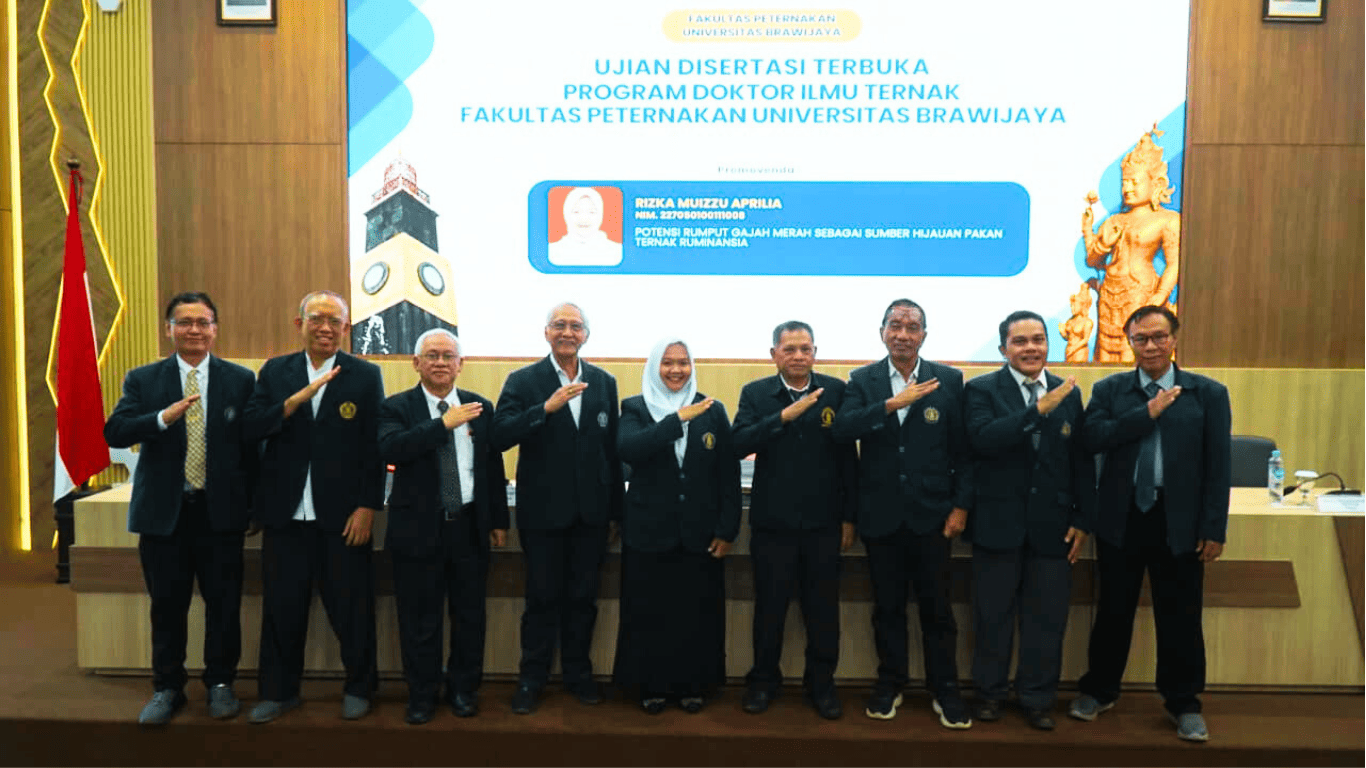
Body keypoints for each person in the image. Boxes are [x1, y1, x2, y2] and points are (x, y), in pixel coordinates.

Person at [1069, 305, 1230, 742]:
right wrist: (1148, 413)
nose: (1151, 346)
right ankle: (1099, 690)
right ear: (1130, 343)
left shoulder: (1207, 393)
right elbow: (1092, 438)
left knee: (1181, 616)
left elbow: (1218, 467)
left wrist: (1214, 528)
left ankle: (1184, 702)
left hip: (1180, 521)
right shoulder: (1110, 390)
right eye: (1141, 339)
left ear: (1174, 339)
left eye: (1159, 337)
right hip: (1121, 518)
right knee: (1113, 611)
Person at [104, 292, 258, 725]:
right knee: (167, 606)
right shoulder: (143, 379)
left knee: (223, 605)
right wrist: (161, 419)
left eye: (203, 322)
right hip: (164, 515)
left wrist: (253, 506)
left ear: (215, 329)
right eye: (185, 322)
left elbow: (252, 448)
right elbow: (115, 431)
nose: (194, 330)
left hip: (219, 513)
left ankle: (221, 683)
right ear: (168, 329)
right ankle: (167, 687)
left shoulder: (240, 380)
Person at [242, 290, 386, 724]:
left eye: (334, 321)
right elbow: (252, 426)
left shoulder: (365, 375)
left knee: (351, 608)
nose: (325, 327)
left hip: (343, 516)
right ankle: (278, 692)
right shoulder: (275, 371)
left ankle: (359, 687)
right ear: (299, 324)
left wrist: (367, 506)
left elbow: (374, 447)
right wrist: (294, 401)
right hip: (285, 515)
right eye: (316, 319)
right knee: (282, 610)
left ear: (346, 328)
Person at [832, 298, 974, 728]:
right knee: (887, 608)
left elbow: (964, 451)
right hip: (882, 517)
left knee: (937, 610)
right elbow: (843, 429)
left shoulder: (949, 380)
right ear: (882, 332)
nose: (903, 334)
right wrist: (892, 404)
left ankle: (944, 688)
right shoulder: (864, 380)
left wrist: (961, 505)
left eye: (912, 327)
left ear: (924, 335)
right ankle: (889, 682)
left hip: (934, 517)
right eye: (895, 326)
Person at [963, 310, 1095, 731]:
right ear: (1004, 348)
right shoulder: (981, 390)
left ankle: (1037, 698)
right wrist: (1038, 410)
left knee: (1047, 621)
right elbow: (984, 440)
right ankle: (989, 695)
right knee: (992, 618)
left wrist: (1083, 518)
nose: (1031, 348)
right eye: (1020, 341)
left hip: (1053, 528)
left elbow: (1080, 461)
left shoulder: (1067, 392)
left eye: (1038, 339)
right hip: (996, 525)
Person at [492, 302, 623, 714]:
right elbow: (500, 435)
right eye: (560, 325)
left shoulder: (604, 382)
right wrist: (544, 410)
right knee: (542, 599)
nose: (568, 332)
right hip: (543, 515)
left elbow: (612, 452)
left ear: (586, 335)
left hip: (591, 516)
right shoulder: (523, 381)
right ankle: (531, 679)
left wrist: (615, 512)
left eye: (576, 326)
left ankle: (578, 675)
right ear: (546, 332)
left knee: (583, 600)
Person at [378, 329, 509, 724]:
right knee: (420, 619)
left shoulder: (480, 406)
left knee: (469, 617)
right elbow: (391, 448)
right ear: (416, 363)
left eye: (448, 356)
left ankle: (463, 690)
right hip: (417, 529)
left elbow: (491, 467)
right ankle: (422, 693)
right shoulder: (395, 407)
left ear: (460, 364)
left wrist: (498, 520)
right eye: (432, 355)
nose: (440, 362)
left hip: (468, 527)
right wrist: (443, 424)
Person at [732, 321, 857, 720]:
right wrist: (782, 417)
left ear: (815, 353)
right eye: (789, 349)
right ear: (774, 355)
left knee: (823, 613)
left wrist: (849, 518)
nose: (798, 356)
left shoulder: (836, 392)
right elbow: (738, 443)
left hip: (824, 525)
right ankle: (762, 682)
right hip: (773, 525)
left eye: (806, 349)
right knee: (769, 611)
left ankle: (821, 685)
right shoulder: (755, 394)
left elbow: (848, 460)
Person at [614, 338, 740, 713]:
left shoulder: (712, 410)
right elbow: (629, 449)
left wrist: (727, 529)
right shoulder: (635, 407)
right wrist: (677, 420)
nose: (676, 370)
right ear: (655, 366)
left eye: (683, 363)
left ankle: (693, 685)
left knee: (695, 615)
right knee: (649, 614)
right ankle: (650, 686)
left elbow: (728, 474)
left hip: (699, 535)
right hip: (648, 534)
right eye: (667, 362)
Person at [547, 187, 623, 267]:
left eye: (592, 212)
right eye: (576, 212)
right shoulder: (552, 251)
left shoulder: (617, 251)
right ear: (566, 214)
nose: (584, 219)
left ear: (601, 215)